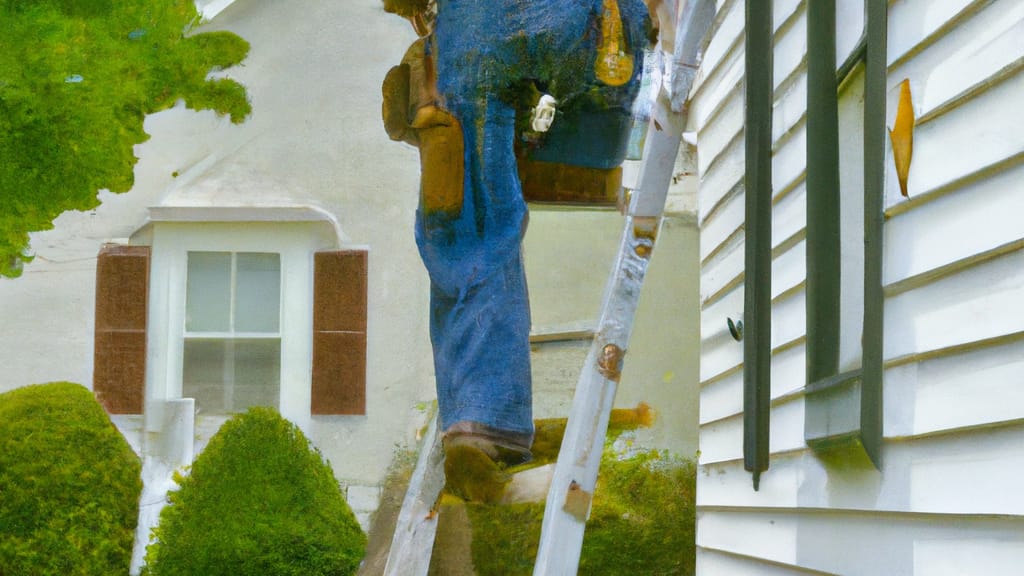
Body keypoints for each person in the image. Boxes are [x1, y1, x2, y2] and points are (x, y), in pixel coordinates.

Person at [383, 0, 650, 481]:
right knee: (590, 121)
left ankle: (484, 420)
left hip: (482, 26)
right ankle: (565, 144)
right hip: (597, 27)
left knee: (464, 213)